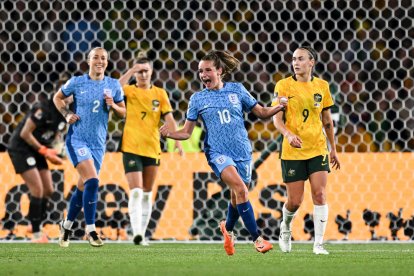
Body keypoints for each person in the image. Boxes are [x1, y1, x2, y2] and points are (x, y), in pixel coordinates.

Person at [160, 50, 287, 255]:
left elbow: (262, 112)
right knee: (242, 190)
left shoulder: (237, 90)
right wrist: (170, 134)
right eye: (200, 71)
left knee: (237, 196)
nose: (203, 75)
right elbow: (186, 132)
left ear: (219, 71)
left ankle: (227, 230)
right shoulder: (198, 99)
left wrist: (279, 106)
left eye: (208, 70)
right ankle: (258, 239)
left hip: (242, 150)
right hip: (217, 152)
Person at [53, 47, 126, 247]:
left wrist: (114, 105)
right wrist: (67, 114)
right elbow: (57, 97)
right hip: (77, 139)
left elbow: (123, 112)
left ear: (107, 62)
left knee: (83, 186)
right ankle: (91, 230)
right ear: (88, 61)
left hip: (98, 144)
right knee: (93, 181)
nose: (99, 61)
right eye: (95, 57)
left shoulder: (113, 85)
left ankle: (66, 226)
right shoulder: (76, 82)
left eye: (103, 58)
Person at [272, 46, 341, 255]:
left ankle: (318, 244)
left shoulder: (322, 86)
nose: (296, 62)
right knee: (295, 201)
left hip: (317, 147)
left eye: (301, 59)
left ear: (312, 62)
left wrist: (333, 149)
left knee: (319, 194)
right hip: (293, 150)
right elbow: (276, 118)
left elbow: (327, 120)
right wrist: (288, 135)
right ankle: (285, 228)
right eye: (294, 59)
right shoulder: (283, 85)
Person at [118, 52, 182, 245]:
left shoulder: (160, 94)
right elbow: (113, 88)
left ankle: (143, 234)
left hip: (152, 147)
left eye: (146, 71)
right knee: (136, 191)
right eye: (139, 72)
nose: (143, 75)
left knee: (147, 192)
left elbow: (169, 117)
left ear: (152, 72)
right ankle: (136, 233)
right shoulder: (129, 91)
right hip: (131, 146)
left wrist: (177, 140)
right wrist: (131, 70)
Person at [7, 96, 67, 243]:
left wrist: (58, 151)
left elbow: (55, 136)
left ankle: (32, 224)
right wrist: (46, 152)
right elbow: (25, 133)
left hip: (37, 149)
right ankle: (36, 234)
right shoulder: (43, 108)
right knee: (37, 190)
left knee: (49, 190)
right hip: (21, 148)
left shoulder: (65, 114)